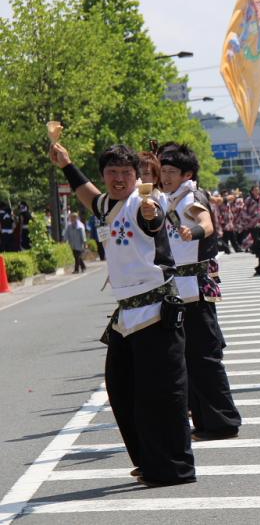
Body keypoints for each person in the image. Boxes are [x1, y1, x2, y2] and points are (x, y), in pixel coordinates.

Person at [49, 142, 195, 486]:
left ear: (135, 175)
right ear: (104, 175)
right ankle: (148, 460)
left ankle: (173, 467)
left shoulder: (145, 202)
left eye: (125, 173)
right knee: (121, 388)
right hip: (126, 315)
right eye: (111, 173)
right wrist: (67, 165)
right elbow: (89, 196)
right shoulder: (109, 204)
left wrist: (150, 214)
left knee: (160, 393)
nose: (118, 178)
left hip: (155, 310)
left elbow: (153, 218)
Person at [157, 144, 242, 442]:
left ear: (187, 174)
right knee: (190, 358)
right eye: (162, 171)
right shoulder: (172, 197)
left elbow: (205, 222)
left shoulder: (191, 197)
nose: (164, 177)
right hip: (181, 288)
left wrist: (193, 232)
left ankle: (223, 421)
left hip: (195, 287)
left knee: (204, 357)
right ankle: (206, 421)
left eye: (170, 172)